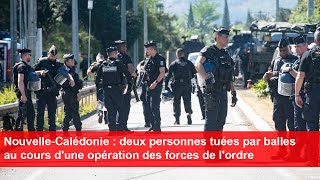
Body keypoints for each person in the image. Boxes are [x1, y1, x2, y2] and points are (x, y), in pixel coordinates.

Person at [195, 28, 238, 132]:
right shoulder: (208, 50)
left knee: (221, 121)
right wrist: (206, 78)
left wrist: (233, 92)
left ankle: (216, 146)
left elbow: (229, 75)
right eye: (225, 37)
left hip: (223, 91)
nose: (227, 39)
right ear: (217, 36)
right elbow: (197, 64)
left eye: (228, 37)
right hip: (212, 91)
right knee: (211, 121)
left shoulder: (225, 53)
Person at [264, 38, 298, 160]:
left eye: (285, 50)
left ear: (289, 48)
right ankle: (281, 151)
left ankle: (294, 153)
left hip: (290, 97)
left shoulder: (295, 60)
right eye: (280, 50)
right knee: (279, 124)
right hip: (278, 97)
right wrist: (267, 77)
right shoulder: (276, 61)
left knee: (292, 126)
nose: (282, 52)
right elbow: (268, 74)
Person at [33, 45, 75, 131]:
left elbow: (65, 72)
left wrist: (71, 79)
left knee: (52, 114)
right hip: (42, 92)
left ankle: (52, 135)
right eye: (51, 55)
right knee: (40, 113)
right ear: (48, 53)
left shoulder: (58, 64)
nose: (53, 57)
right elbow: (32, 72)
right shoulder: (42, 62)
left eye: (54, 56)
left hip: (52, 93)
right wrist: (40, 72)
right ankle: (39, 133)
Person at [295, 28, 320, 166]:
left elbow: (300, 76)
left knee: (312, 126)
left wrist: (297, 94)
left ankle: (313, 159)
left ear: (315, 40)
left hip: (313, 93)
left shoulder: (307, 55)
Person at [96, 47, 131, 131]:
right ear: (114, 54)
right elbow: (127, 74)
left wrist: (99, 90)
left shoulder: (103, 64)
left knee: (110, 110)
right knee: (121, 109)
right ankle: (120, 128)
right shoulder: (118, 63)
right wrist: (129, 85)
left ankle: (112, 129)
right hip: (117, 90)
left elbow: (97, 79)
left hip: (106, 91)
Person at [138, 41, 166, 132]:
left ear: (153, 49)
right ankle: (153, 125)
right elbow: (142, 68)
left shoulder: (160, 59)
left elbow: (162, 72)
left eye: (148, 49)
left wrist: (156, 82)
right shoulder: (148, 59)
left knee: (154, 106)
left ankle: (157, 126)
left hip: (156, 85)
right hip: (148, 85)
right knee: (148, 106)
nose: (146, 50)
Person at [13, 49, 44, 131]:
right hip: (23, 92)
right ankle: (18, 136)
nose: (30, 56)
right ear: (26, 56)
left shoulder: (26, 66)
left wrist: (39, 72)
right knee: (24, 114)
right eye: (29, 55)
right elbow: (20, 81)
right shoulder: (21, 67)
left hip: (26, 91)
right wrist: (23, 95)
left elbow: (30, 74)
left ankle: (29, 134)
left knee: (28, 114)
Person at [165, 48, 197, 125]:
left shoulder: (174, 64)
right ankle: (188, 114)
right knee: (187, 101)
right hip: (187, 84)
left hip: (177, 85)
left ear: (177, 55)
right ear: (183, 54)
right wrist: (194, 84)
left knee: (176, 102)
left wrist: (166, 85)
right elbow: (194, 74)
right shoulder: (189, 63)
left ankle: (177, 119)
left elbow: (168, 76)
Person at [115, 40, 137, 131]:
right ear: (122, 48)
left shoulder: (112, 57)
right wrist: (135, 75)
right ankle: (123, 126)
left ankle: (117, 125)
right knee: (125, 106)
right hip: (125, 86)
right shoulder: (126, 57)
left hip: (115, 86)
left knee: (116, 106)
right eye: (124, 46)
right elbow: (131, 70)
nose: (126, 48)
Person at [61, 54, 83, 132]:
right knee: (74, 112)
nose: (73, 61)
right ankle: (78, 131)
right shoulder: (65, 71)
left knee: (69, 113)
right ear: (66, 62)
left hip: (69, 94)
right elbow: (71, 85)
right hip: (70, 94)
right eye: (71, 60)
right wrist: (77, 93)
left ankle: (65, 129)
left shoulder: (70, 70)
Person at [87, 53, 108, 124]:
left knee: (100, 101)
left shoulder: (96, 65)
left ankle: (100, 113)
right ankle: (106, 118)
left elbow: (88, 73)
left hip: (99, 86)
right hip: (108, 86)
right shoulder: (107, 63)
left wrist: (92, 65)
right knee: (107, 101)